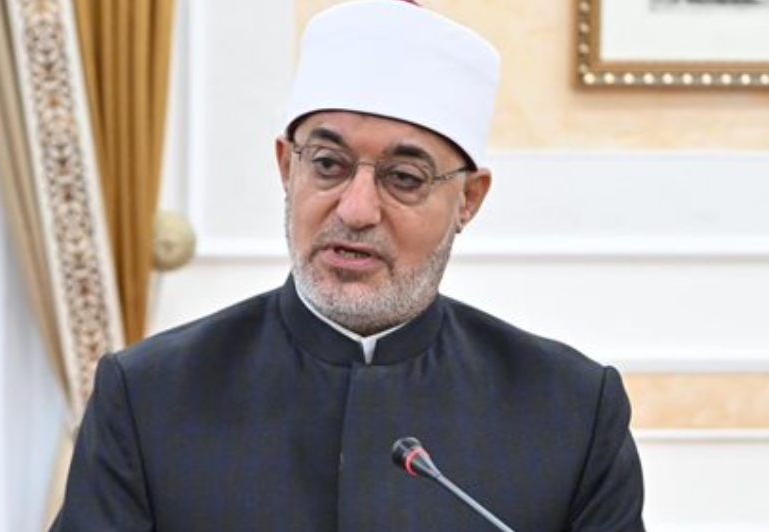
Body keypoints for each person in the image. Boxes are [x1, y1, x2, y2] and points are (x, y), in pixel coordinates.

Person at [50, 1, 646, 531]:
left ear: (468, 199)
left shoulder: (572, 411)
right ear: (287, 167)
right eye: (328, 165)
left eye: (404, 178)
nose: (356, 210)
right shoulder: (148, 396)